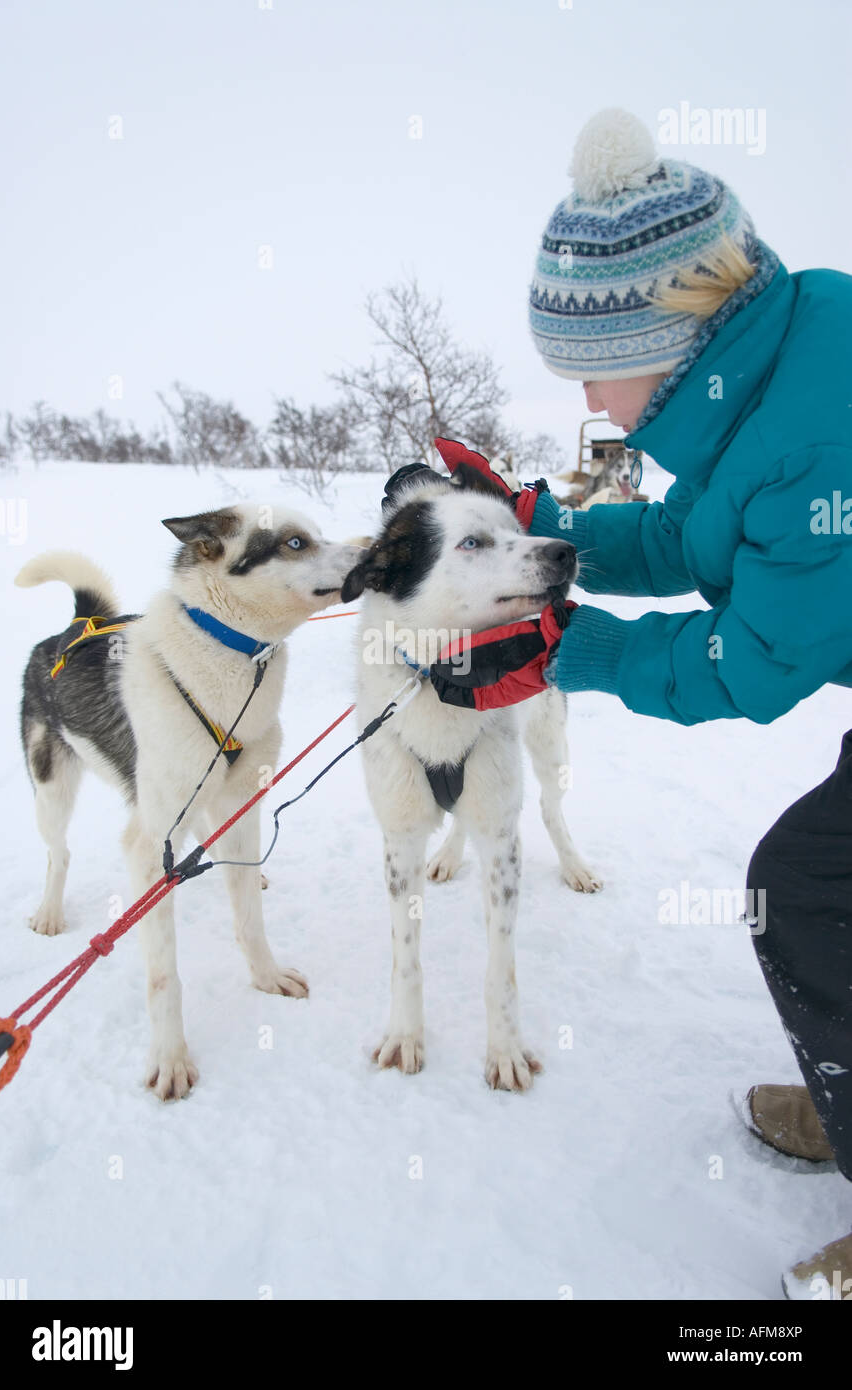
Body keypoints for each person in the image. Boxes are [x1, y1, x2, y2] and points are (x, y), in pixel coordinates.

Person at [430, 108, 852, 1299]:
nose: (596, 406)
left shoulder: (813, 442)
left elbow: (750, 661)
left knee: (813, 893)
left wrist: (558, 645)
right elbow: (690, 538)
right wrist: (545, 531)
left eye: (591, 373)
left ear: (669, 338)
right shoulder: (786, 351)